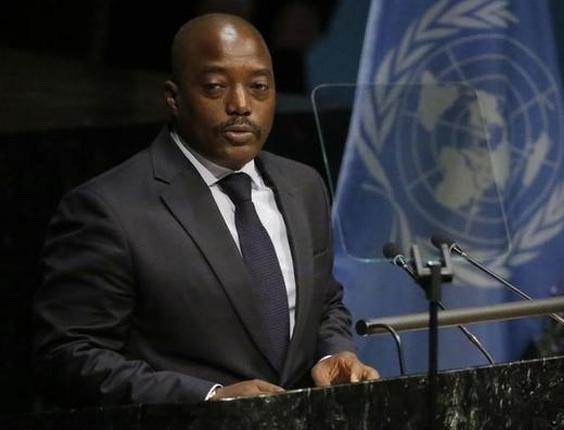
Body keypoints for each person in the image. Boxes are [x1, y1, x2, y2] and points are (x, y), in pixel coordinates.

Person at [32, 13, 378, 407]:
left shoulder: (305, 186)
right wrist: (208, 398)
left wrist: (333, 354)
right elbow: (67, 356)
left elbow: (324, 302)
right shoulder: (107, 209)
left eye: (259, 86)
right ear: (174, 97)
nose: (241, 105)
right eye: (215, 87)